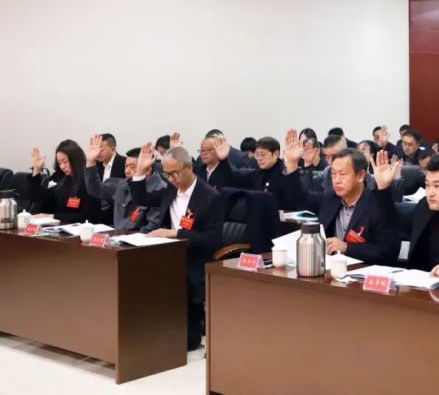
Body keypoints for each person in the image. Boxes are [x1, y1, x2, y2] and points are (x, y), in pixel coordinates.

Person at [128, 144, 224, 351]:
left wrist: (176, 233)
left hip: (194, 259)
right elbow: (140, 198)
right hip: (168, 255)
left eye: (174, 173)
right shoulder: (170, 191)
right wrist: (140, 171)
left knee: (185, 341)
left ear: (189, 167)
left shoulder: (210, 197)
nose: (171, 179)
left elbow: (212, 239)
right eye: (166, 174)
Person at [299, 149, 400, 265]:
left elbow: (388, 252)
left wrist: (346, 247)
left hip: (364, 270)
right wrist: (291, 164)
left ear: (361, 175)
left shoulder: (377, 204)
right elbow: (299, 198)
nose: (337, 180)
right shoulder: (330, 198)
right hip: (331, 268)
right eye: (333, 174)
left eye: (342, 174)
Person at [85, 136, 165, 232]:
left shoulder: (160, 189)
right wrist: (90, 162)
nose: (127, 171)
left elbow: (151, 228)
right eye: (126, 166)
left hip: (138, 238)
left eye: (132, 167)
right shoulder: (123, 184)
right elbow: (96, 190)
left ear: (147, 169)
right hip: (118, 235)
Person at [222, 132, 304, 210]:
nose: (259, 158)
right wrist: (223, 161)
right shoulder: (257, 173)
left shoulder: (285, 173)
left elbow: (293, 201)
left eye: (263, 154)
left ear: (276, 154)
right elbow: (232, 179)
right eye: (257, 155)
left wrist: (292, 163)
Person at [28, 140, 100, 224]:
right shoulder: (64, 181)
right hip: (63, 227)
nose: (62, 166)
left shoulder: (89, 181)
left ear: (75, 159)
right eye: (59, 163)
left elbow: (87, 216)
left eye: (65, 162)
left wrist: (52, 216)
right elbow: (38, 197)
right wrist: (36, 170)